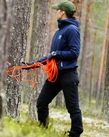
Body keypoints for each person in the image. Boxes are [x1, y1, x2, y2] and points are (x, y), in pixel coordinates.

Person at [26, 1, 83, 137]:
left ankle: (76, 132)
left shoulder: (72, 30)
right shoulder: (59, 32)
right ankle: (43, 130)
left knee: (72, 108)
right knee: (41, 103)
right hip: (55, 75)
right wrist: (32, 64)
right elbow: (51, 57)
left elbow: (74, 52)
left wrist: (57, 54)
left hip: (68, 74)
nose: (56, 12)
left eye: (57, 10)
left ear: (62, 12)